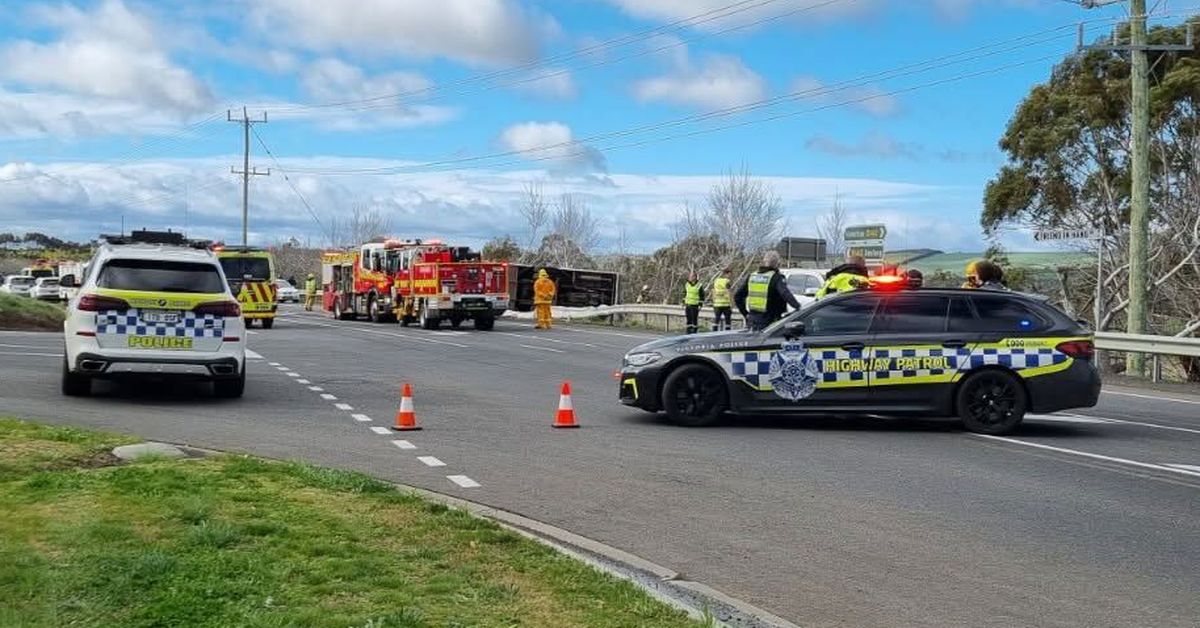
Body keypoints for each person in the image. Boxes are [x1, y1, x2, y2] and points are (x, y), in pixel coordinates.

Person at [734, 251, 800, 331]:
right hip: (770, 324)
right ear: (777, 264)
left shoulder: (752, 276)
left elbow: (737, 296)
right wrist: (798, 307)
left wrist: (745, 313)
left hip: (752, 321)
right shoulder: (776, 278)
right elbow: (785, 294)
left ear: (764, 262)